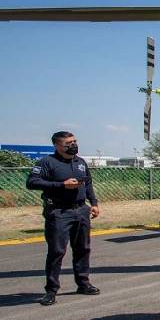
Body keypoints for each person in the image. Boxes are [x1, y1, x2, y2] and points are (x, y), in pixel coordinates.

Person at [26, 131, 100, 305]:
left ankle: (83, 283)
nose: (73, 145)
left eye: (74, 141)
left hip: (81, 210)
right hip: (59, 212)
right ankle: (51, 290)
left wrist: (94, 203)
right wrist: (61, 185)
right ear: (57, 146)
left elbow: (88, 183)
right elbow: (32, 182)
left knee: (83, 249)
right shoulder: (47, 162)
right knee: (57, 251)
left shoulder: (80, 162)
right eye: (68, 143)